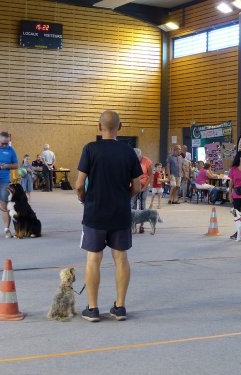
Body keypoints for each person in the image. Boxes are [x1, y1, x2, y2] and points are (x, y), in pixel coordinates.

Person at [75, 109, 142, 322]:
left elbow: (78, 185)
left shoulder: (90, 149)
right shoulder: (129, 152)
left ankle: (92, 309)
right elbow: (137, 186)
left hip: (95, 212)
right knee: (121, 258)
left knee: (93, 258)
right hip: (120, 213)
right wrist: (125, 198)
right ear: (120, 128)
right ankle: (119, 307)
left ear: (99, 126)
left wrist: (85, 199)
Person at [131, 148, 153, 233]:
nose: (136, 160)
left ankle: (142, 225)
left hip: (145, 185)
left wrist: (144, 187)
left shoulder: (147, 161)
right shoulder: (131, 160)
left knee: (142, 205)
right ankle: (133, 225)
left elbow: (150, 176)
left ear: (141, 156)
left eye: (138, 158)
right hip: (135, 185)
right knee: (133, 205)